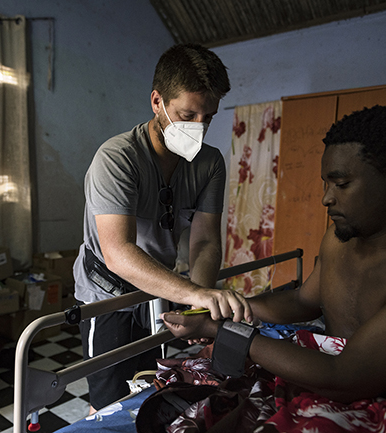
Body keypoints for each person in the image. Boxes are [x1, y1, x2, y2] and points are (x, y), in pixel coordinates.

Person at [160, 106, 386, 431]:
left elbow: (346, 378)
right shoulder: (339, 239)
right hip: (329, 375)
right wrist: (229, 307)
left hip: (382, 392)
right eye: (325, 184)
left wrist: (221, 331)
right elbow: (302, 302)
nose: (325, 199)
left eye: (341, 184)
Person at [73, 43, 252, 413]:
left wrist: (198, 301)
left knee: (151, 388)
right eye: (187, 115)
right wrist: (195, 295)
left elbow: (204, 242)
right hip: (107, 294)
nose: (198, 128)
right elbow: (118, 253)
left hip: (157, 288)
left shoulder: (208, 164)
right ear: (157, 102)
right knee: (110, 404)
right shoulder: (118, 158)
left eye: (209, 118)